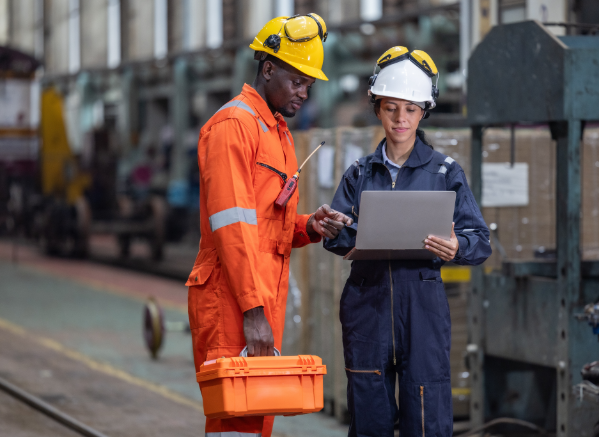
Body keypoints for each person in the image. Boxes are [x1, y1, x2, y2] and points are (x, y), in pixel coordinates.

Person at [186, 14, 352, 437]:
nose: (303, 93)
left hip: (256, 296)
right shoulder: (233, 127)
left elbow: (264, 225)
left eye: (309, 85)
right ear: (268, 69)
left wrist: (310, 226)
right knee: (234, 421)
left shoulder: (277, 131)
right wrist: (252, 311)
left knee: (255, 418)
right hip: (233, 298)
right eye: (297, 81)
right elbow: (231, 226)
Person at [324, 46, 492, 436]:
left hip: (423, 306)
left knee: (426, 411)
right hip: (368, 304)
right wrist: (334, 229)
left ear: (423, 112)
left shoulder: (445, 172)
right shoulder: (359, 173)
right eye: (391, 108)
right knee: (369, 413)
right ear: (377, 108)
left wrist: (457, 248)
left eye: (411, 109)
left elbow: (479, 240)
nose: (401, 119)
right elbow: (338, 237)